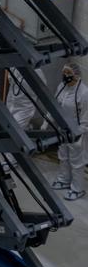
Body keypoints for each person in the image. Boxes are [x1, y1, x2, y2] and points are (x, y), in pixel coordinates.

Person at [53, 60, 88, 201]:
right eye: (64, 73)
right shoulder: (62, 86)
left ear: (77, 75)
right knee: (63, 156)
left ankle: (77, 189)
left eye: (69, 73)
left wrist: (80, 132)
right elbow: (55, 103)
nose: (66, 75)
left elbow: (86, 115)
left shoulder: (84, 92)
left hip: (77, 132)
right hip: (63, 129)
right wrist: (46, 122)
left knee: (77, 162)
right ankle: (64, 179)